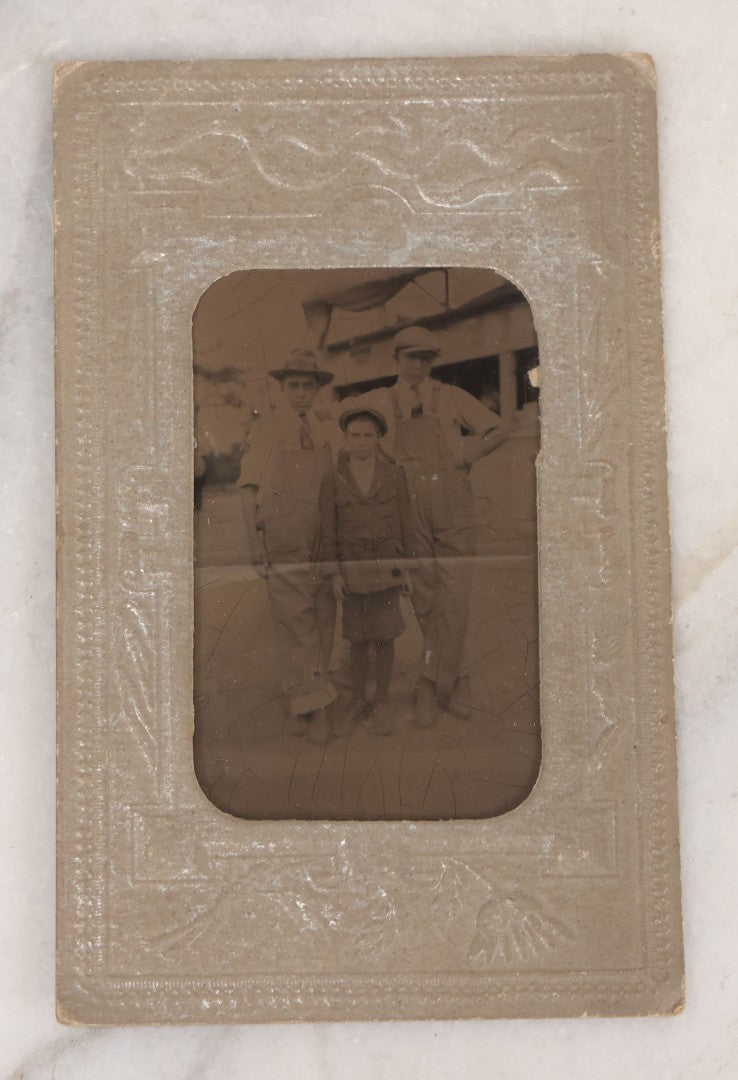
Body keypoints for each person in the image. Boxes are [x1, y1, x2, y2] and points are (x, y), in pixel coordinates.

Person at [352, 325, 511, 727]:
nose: (418, 365)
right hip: (410, 507)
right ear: (397, 359)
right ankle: (451, 679)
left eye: (425, 358)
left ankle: (433, 683)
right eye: (411, 357)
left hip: (452, 504)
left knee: (454, 595)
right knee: (424, 596)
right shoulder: (382, 401)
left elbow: (499, 428)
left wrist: (466, 454)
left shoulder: (451, 396)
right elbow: (344, 423)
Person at [239, 349, 338, 745]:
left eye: (307, 386)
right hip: (282, 538)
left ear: (316, 390)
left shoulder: (325, 428)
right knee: (297, 627)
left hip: (321, 539)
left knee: (323, 621)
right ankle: (310, 707)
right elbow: (248, 492)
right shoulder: (266, 430)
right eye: (293, 385)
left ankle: (303, 695)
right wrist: (254, 545)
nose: (301, 392)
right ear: (283, 388)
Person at [319, 407, 414, 737]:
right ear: (345, 439)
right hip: (352, 571)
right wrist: (334, 574)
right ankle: (358, 700)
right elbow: (328, 530)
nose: (361, 443)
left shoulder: (394, 474)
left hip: (387, 568)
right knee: (358, 639)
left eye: (368, 436)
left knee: (386, 636)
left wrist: (406, 569)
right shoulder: (334, 478)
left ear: (378, 439)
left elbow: (406, 523)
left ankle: (383, 701)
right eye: (355, 436)